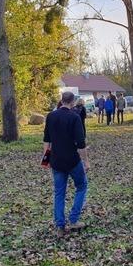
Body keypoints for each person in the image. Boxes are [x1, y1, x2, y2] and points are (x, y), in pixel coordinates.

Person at [43, 91, 90, 238]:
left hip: (56, 160)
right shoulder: (74, 117)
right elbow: (80, 143)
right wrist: (86, 161)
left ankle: (60, 225)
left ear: (61, 100)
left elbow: (46, 140)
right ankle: (74, 219)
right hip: (72, 160)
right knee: (82, 186)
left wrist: (46, 158)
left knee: (59, 193)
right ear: (73, 102)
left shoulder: (51, 116)